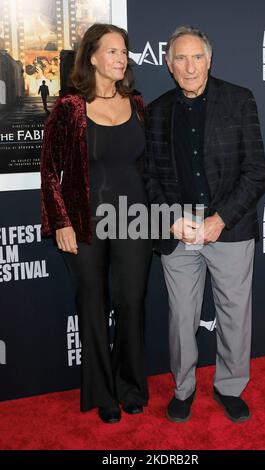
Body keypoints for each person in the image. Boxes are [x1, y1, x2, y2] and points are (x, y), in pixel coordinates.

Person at [144, 26, 265, 423]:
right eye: (180, 58)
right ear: (168, 64)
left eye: (197, 57)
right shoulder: (157, 111)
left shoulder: (239, 100)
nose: (189, 66)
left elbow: (255, 173)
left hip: (228, 227)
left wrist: (221, 219)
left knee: (234, 312)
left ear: (210, 60)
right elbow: (149, 177)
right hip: (178, 230)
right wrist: (172, 218)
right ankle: (183, 388)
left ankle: (230, 386)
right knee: (181, 316)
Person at [40, 23, 152, 424]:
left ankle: (131, 388)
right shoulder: (70, 107)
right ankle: (103, 394)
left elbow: (148, 165)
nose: (121, 58)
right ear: (92, 57)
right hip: (85, 222)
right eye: (112, 51)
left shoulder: (137, 103)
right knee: (93, 306)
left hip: (135, 220)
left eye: (124, 52)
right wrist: (61, 222)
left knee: (131, 303)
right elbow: (49, 169)